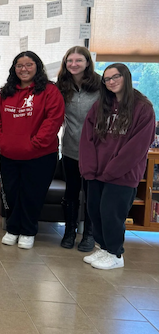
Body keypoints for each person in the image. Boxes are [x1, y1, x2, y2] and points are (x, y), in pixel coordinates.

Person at [79, 64, 155, 270]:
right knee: (95, 211)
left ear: (126, 77)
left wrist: (112, 170)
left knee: (112, 213)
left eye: (116, 77)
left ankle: (115, 253)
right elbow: (88, 138)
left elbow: (137, 148)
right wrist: (89, 167)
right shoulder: (101, 105)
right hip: (96, 173)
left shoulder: (143, 108)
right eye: (107, 79)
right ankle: (103, 248)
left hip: (121, 174)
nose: (111, 82)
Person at [0, 51, 64, 249]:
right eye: (19, 65)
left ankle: (28, 231)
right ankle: (13, 228)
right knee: (12, 192)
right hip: (9, 153)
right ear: (14, 69)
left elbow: (53, 121)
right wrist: (2, 141)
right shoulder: (6, 92)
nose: (24, 69)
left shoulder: (50, 91)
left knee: (32, 193)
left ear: (37, 66)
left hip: (40, 155)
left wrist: (35, 144)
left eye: (29, 65)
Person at [56, 47, 102, 251]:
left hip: (96, 150)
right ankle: (69, 231)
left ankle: (89, 234)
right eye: (69, 61)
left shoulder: (101, 85)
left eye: (78, 60)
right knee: (71, 191)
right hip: (70, 148)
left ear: (87, 62)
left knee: (92, 193)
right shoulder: (61, 86)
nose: (73, 64)